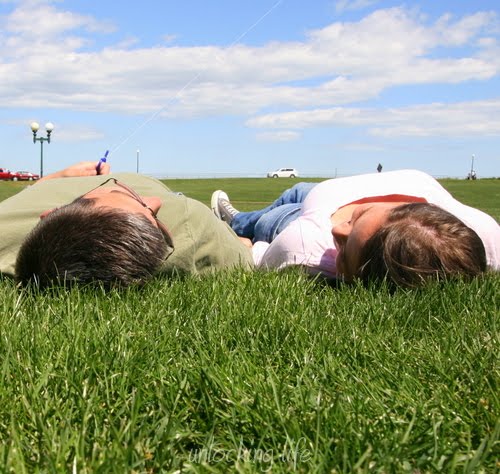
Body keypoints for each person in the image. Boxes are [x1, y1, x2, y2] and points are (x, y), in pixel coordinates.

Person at [211, 169, 500, 288]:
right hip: (321, 192)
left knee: (265, 220)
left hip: (298, 215)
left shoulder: (305, 244)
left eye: (344, 252)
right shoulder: (488, 238)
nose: (337, 231)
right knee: (297, 190)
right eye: (358, 217)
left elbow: (255, 254)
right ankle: (239, 217)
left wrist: (247, 246)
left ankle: (235, 220)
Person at [0, 161, 252, 289]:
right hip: (229, 227)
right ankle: (240, 220)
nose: (154, 202)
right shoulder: (188, 222)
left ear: (51, 213)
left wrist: (55, 178)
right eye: (137, 200)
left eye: (114, 190)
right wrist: (242, 244)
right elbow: (245, 254)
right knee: (272, 218)